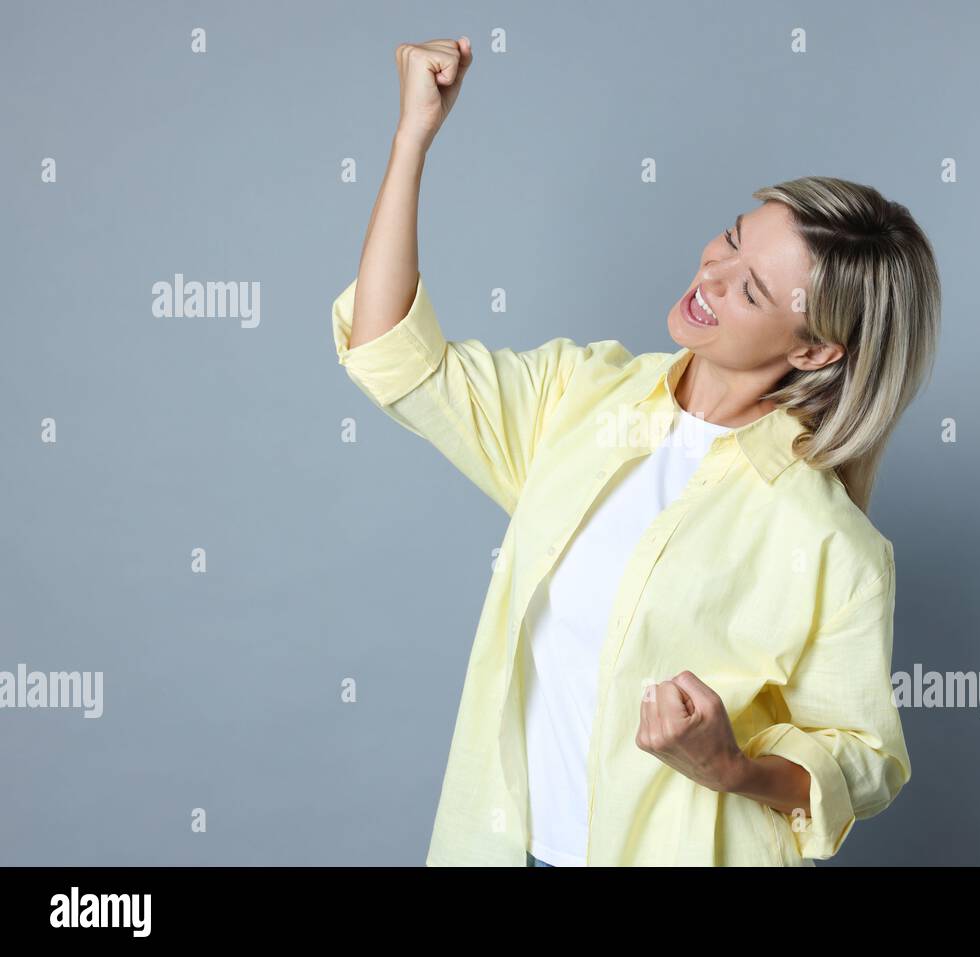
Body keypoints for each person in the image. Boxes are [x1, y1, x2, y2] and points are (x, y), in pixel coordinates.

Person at [331, 37, 941, 866]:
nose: (713, 274)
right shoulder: (579, 397)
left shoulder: (831, 543)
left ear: (814, 352)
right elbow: (394, 354)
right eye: (730, 238)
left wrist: (732, 765)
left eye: (753, 288)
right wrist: (412, 140)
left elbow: (865, 759)